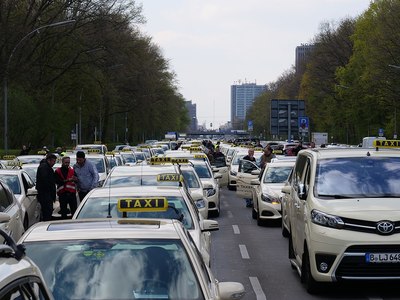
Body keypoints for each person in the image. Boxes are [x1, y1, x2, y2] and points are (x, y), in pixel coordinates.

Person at [36, 153, 57, 221]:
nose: (54, 163)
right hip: (45, 195)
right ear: (49, 160)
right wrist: (50, 192)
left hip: (46, 194)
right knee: (47, 212)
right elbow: (45, 181)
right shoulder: (44, 168)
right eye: (53, 161)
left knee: (47, 211)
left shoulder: (47, 167)